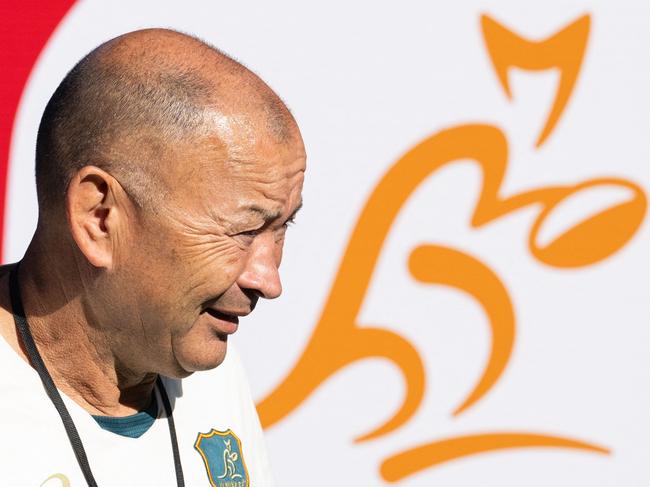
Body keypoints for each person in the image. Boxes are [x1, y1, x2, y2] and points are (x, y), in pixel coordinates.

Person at [0, 28, 305, 486]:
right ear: (99, 218)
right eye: (243, 231)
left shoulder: (208, 374)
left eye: (282, 228)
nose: (269, 280)